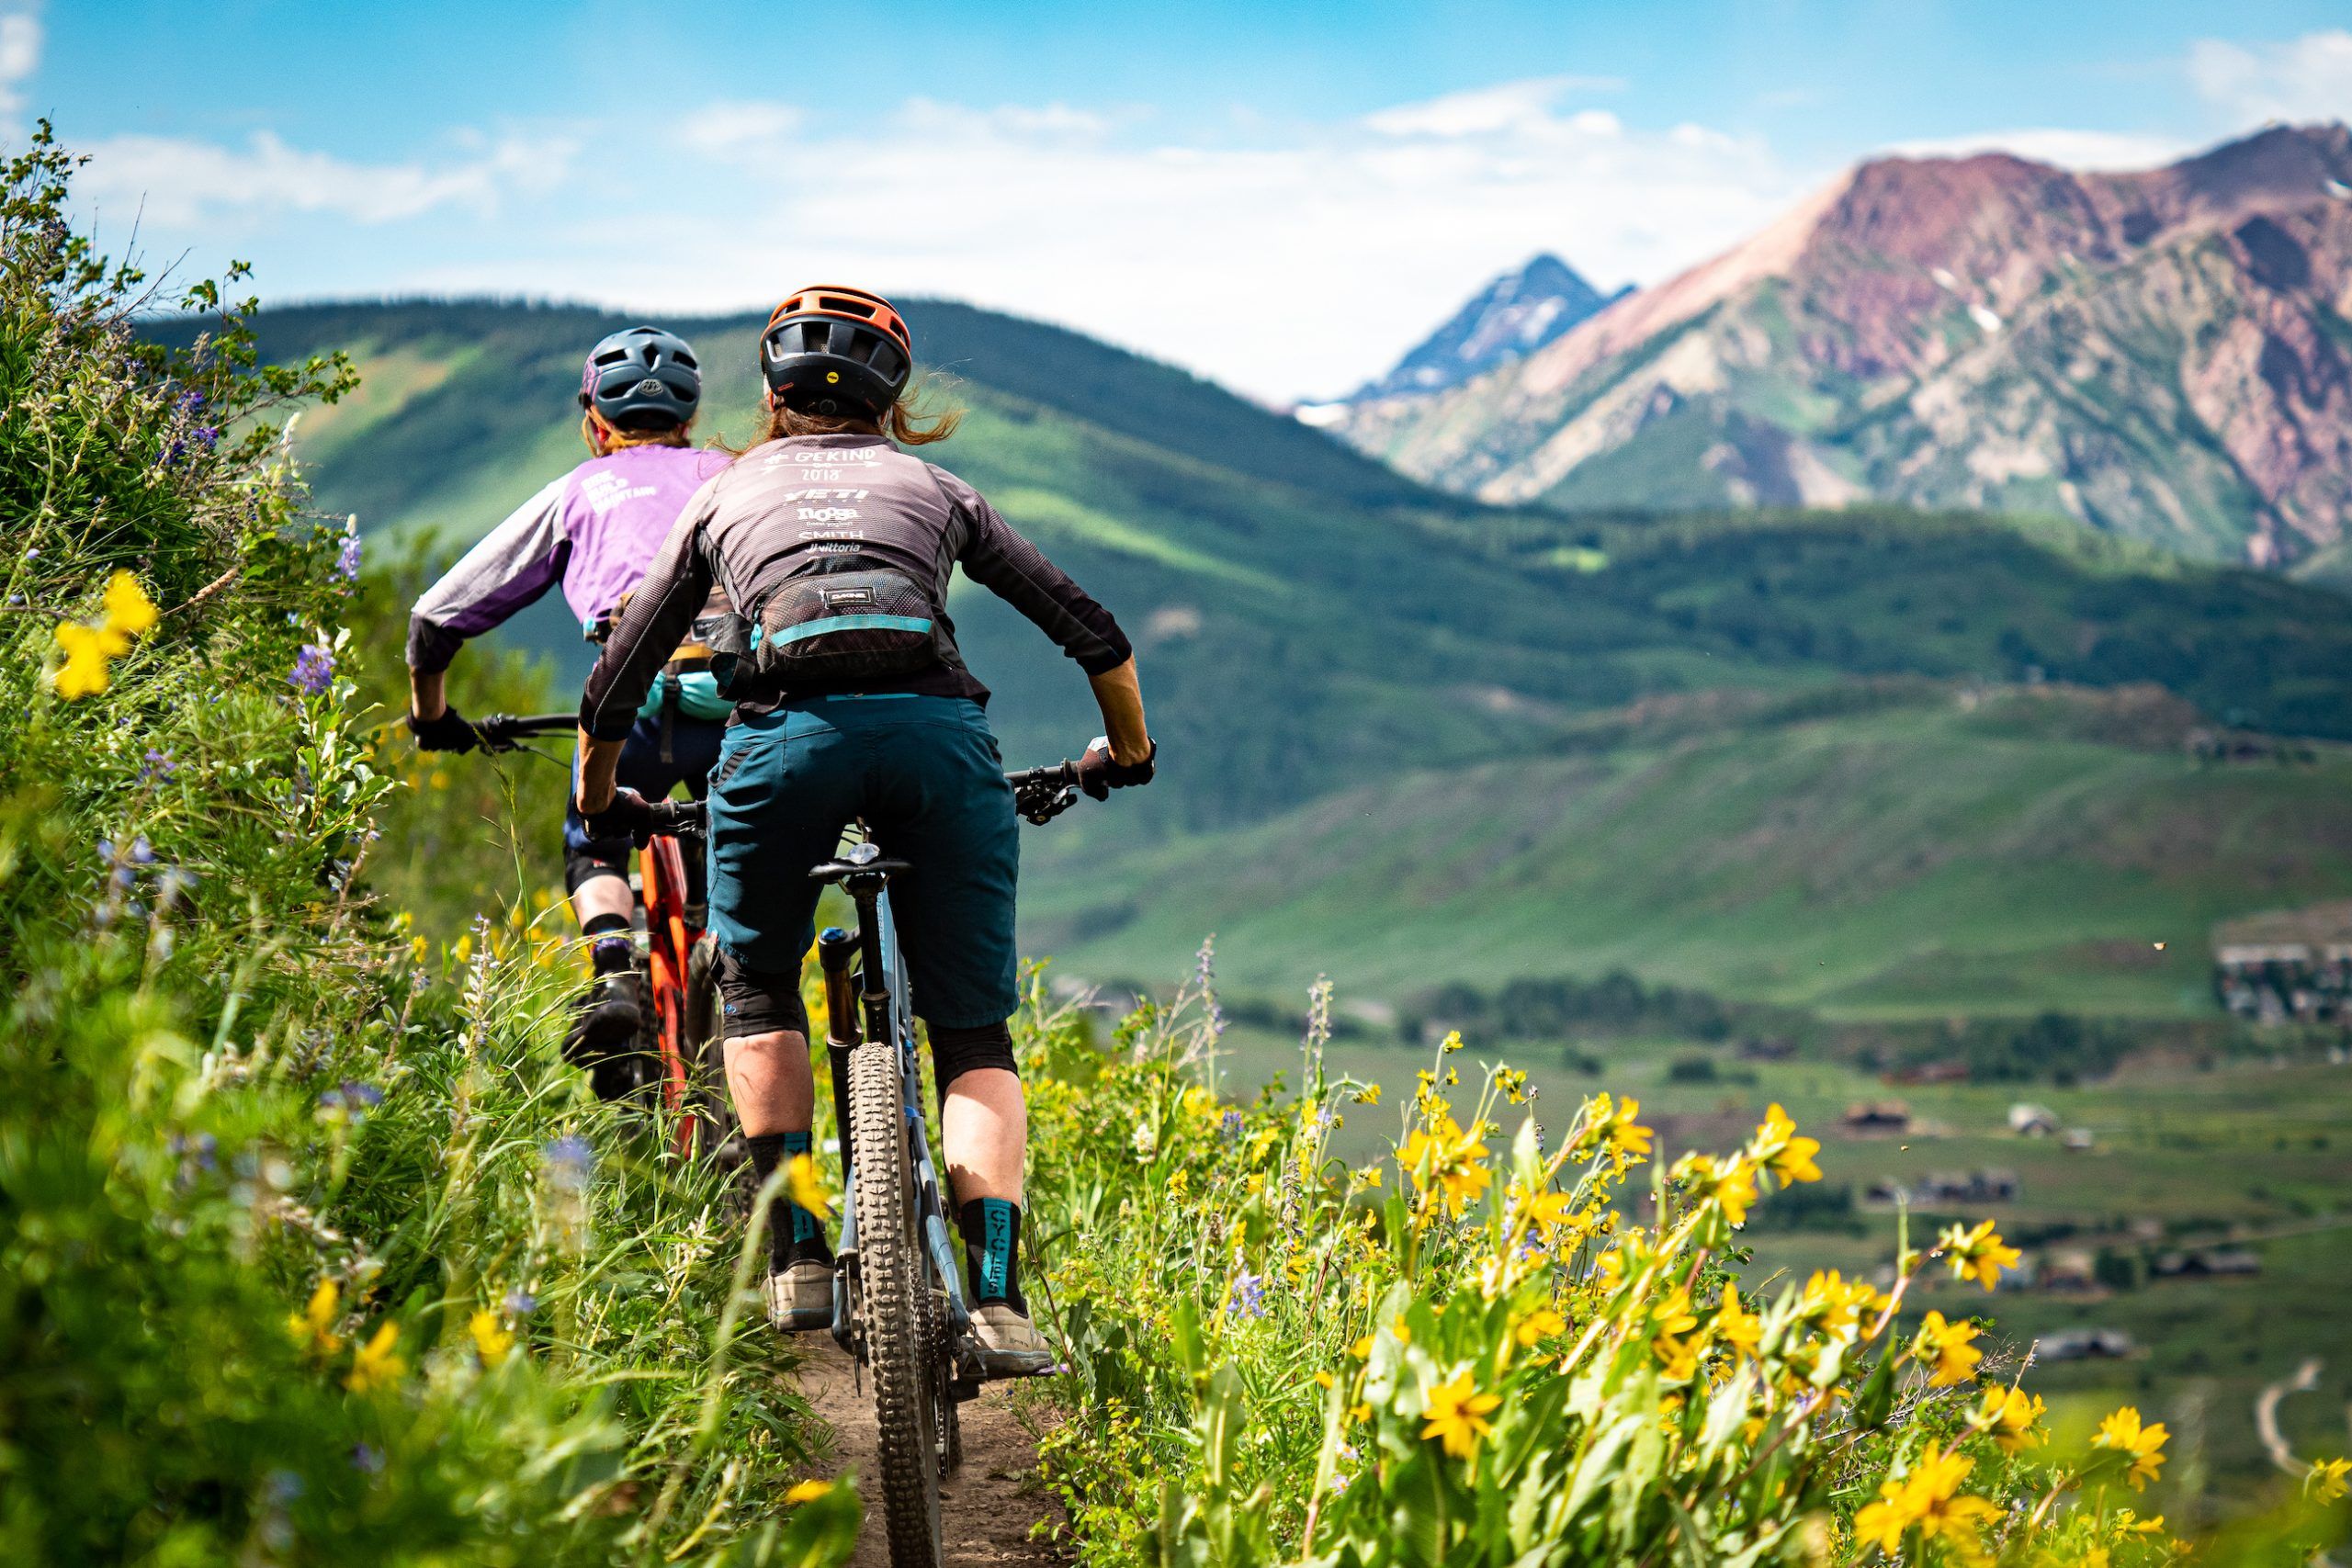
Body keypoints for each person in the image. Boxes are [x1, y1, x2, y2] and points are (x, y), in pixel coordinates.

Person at [573, 285, 1155, 1373]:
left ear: (767, 395)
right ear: (898, 398)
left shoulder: (726, 496)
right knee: (973, 1035)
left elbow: (619, 681)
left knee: (754, 988)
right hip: (937, 742)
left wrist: (605, 797)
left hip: (780, 746)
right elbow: (1097, 638)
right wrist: (1123, 753)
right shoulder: (937, 486)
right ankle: (995, 1297)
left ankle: (795, 1250)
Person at [406, 326, 734, 1091]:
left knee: (596, 832)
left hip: (633, 703)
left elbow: (435, 617)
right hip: (731, 700)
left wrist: (433, 716)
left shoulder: (578, 491)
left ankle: (615, 969)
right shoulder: (729, 475)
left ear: (595, 422)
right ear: (688, 420)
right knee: (730, 845)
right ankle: (737, 978)